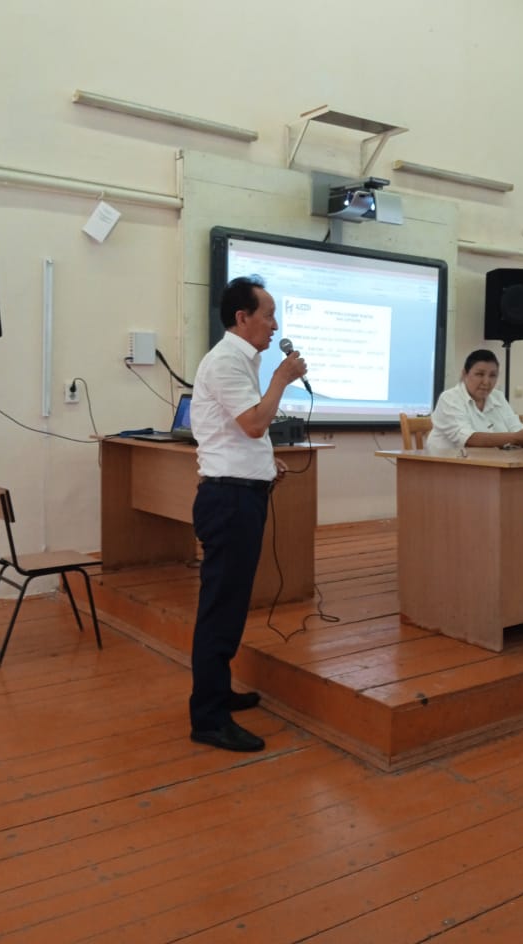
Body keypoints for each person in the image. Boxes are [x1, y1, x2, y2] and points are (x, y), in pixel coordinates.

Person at [188, 276, 308, 753]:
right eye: (268, 315)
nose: (275, 325)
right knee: (220, 608)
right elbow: (256, 423)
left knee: (232, 604)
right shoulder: (225, 362)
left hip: (240, 494)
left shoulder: (241, 361)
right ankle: (207, 717)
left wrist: (264, 465)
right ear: (242, 317)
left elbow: (239, 434)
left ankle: (218, 693)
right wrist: (281, 379)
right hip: (228, 502)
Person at [426, 349, 523, 452]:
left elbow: (517, 430)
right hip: (448, 465)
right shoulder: (450, 398)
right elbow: (468, 439)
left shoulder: (498, 397)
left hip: (490, 462)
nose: (486, 382)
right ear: (464, 374)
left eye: (492, 375)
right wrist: (516, 438)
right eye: (479, 374)